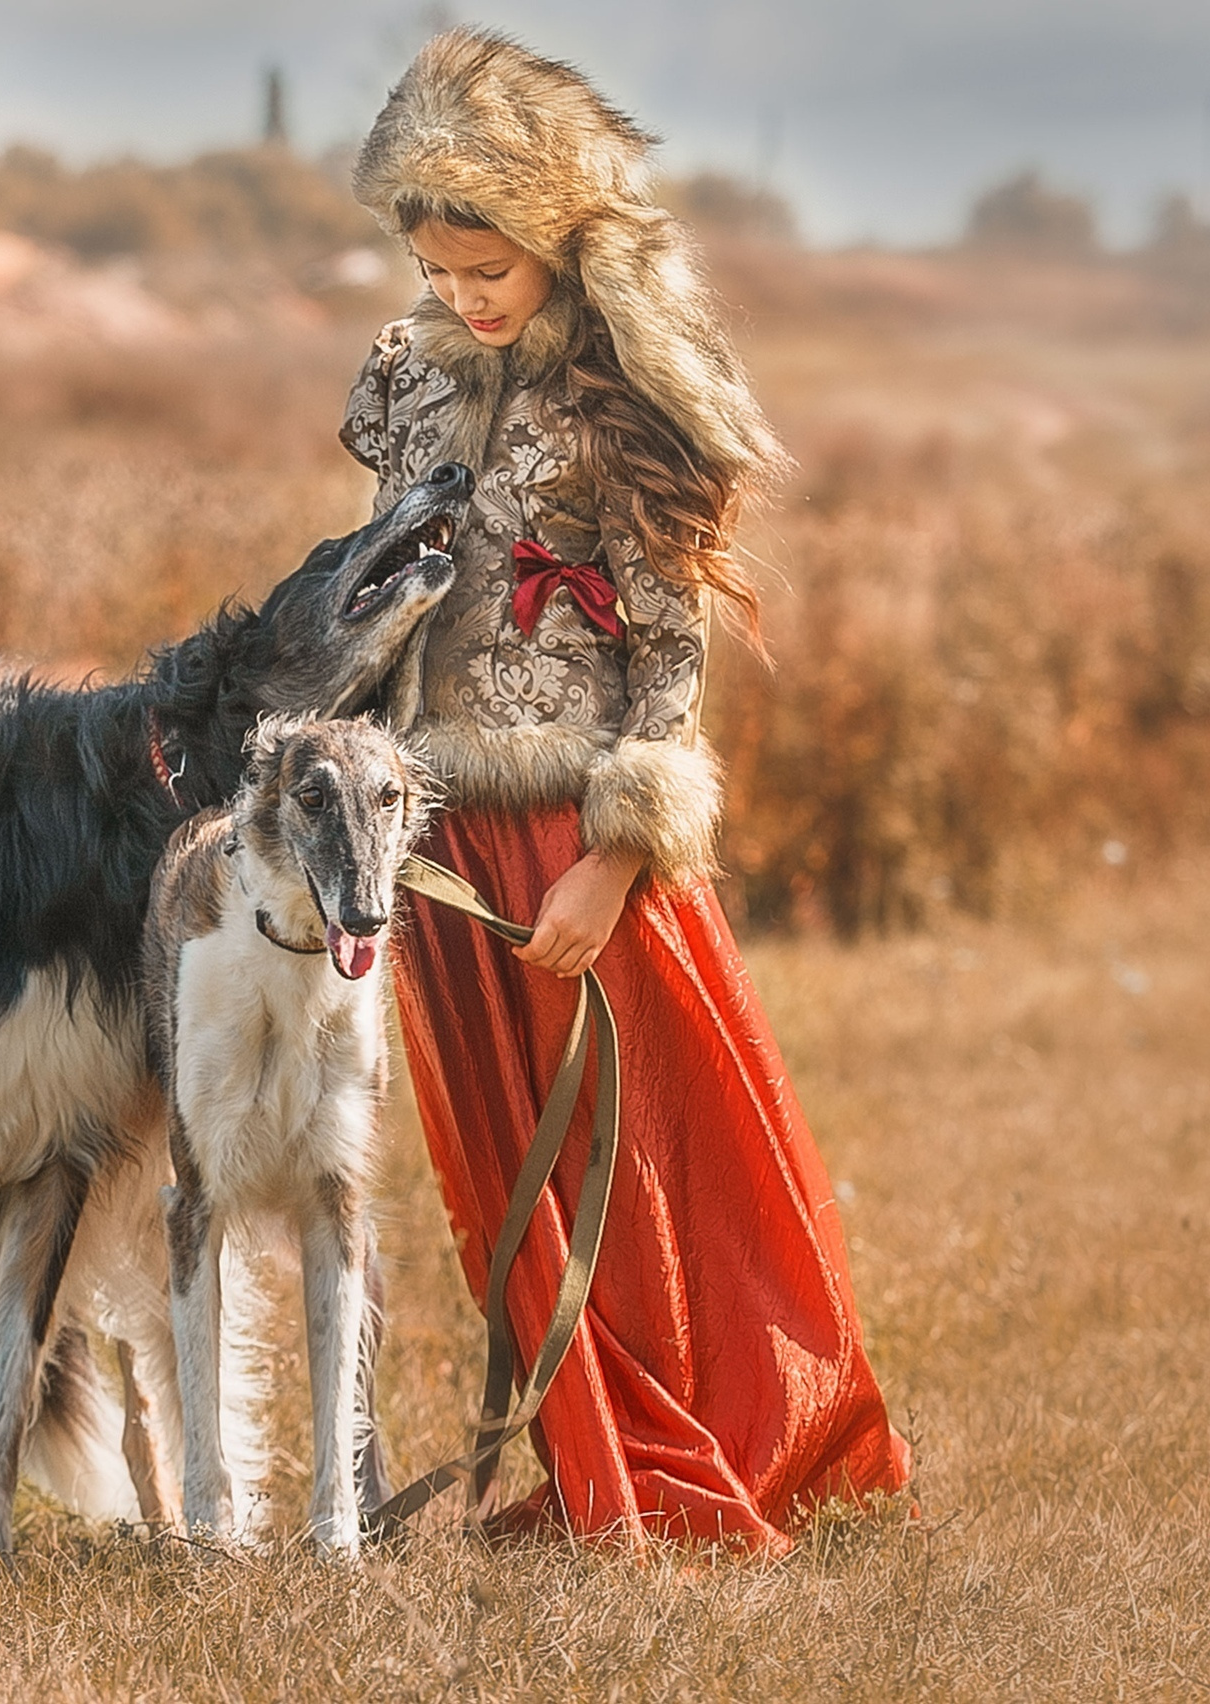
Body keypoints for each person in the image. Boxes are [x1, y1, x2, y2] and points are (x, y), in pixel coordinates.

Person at [341, 29, 911, 1550]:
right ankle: (590, 1453)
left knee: (642, 1153)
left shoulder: (621, 400)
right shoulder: (401, 382)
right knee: (500, 1164)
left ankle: (714, 1441)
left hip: (576, 834)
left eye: (491, 267)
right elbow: (372, 592)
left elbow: (672, 659)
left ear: (558, 235)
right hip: (438, 834)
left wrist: (620, 854)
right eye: (438, 263)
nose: (462, 295)